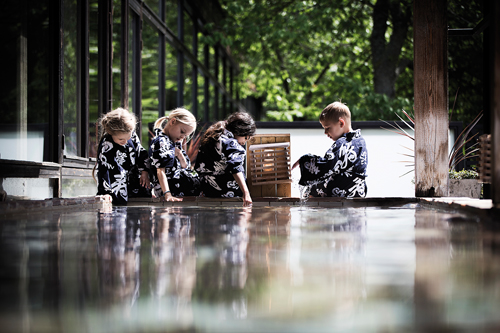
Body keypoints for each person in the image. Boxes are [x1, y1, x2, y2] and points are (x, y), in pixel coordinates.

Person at [292, 101, 368, 197]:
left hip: (341, 190)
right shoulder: (360, 141)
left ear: (341, 123)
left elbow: (328, 164)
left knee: (311, 190)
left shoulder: (343, 143)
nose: (325, 132)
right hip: (357, 191)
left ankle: (309, 209)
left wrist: (306, 161)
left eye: (328, 128)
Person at [195, 111, 256, 206]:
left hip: (207, 191)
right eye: (246, 138)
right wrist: (246, 192)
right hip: (228, 193)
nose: (244, 143)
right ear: (240, 131)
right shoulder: (231, 143)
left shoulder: (213, 137)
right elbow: (236, 167)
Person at [94, 108, 151, 204]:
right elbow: (104, 171)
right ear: (110, 133)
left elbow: (141, 154)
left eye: (128, 137)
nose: (125, 141)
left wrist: (145, 171)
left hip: (134, 182)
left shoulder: (132, 136)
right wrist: (105, 192)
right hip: (117, 186)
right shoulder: (107, 145)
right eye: (121, 139)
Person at [149, 108, 200, 201]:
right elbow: (160, 171)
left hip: (179, 191)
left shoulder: (175, 142)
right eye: (182, 132)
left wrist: (179, 154)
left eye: (185, 136)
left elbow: (185, 166)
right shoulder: (161, 141)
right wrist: (167, 194)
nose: (182, 137)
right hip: (169, 192)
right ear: (173, 122)